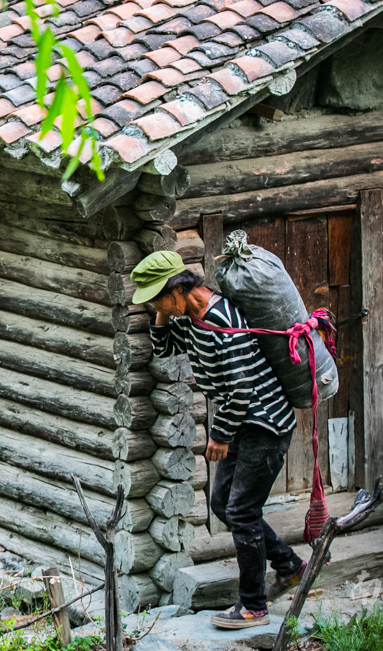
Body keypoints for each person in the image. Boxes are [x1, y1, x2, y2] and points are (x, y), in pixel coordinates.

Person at [131, 251, 306, 629]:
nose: (151, 306)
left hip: (265, 423)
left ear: (177, 289)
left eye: (154, 298)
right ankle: (290, 566)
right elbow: (163, 348)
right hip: (245, 422)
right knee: (224, 504)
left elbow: (242, 387)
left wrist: (220, 435)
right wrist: (163, 309)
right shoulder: (191, 317)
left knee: (241, 510)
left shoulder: (222, 319)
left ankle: (253, 607)